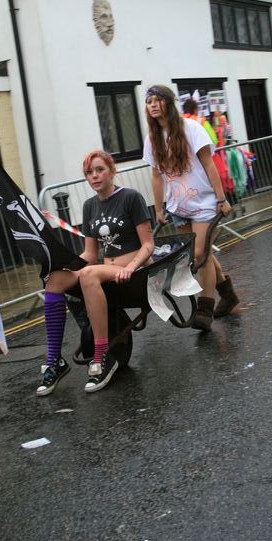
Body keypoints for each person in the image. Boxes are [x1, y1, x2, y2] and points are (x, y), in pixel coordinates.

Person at [37, 150, 153, 396]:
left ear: (112, 170)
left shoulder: (131, 198)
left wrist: (131, 267)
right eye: (89, 172)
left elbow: (148, 245)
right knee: (55, 280)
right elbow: (90, 254)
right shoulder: (89, 206)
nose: (95, 176)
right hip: (107, 270)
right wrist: (66, 266)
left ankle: (102, 357)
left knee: (89, 275)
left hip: (134, 270)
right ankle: (54, 360)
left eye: (100, 170)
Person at [143, 85, 240, 330]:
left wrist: (221, 198)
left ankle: (205, 309)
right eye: (148, 101)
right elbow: (156, 176)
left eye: (157, 100)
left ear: (169, 102)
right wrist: (158, 208)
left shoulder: (191, 128)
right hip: (179, 206)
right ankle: (227, 295)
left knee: (199, 254)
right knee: (201, 253)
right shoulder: (152, 138)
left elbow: (208, 164)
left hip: (205, 202)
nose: (152, 105)